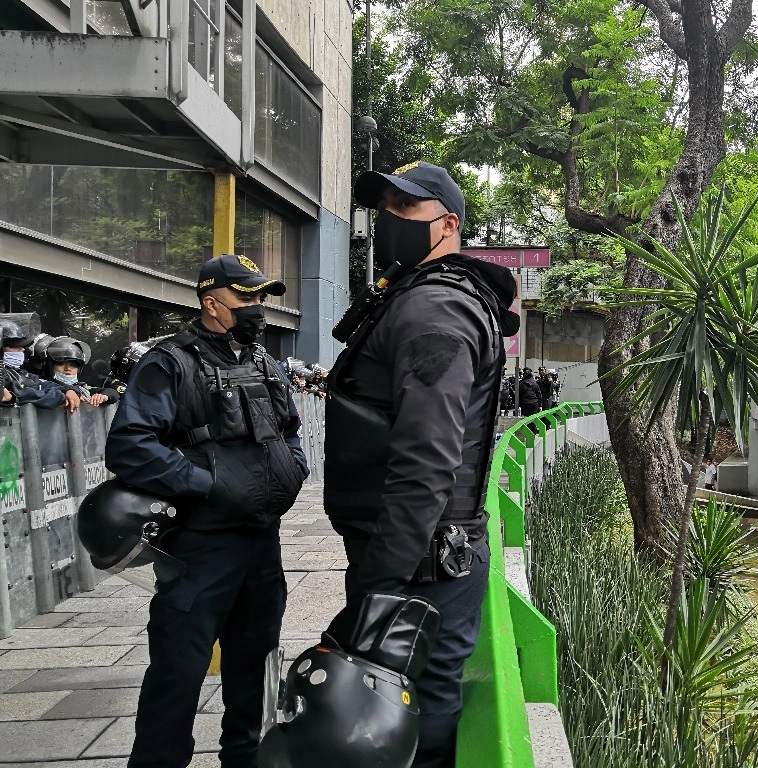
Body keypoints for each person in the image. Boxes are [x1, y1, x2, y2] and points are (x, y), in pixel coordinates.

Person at [322, 161, 519, 767]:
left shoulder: (435, 308)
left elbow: (427, 462)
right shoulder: (419, 298)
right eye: (382, 210)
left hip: (419, 567)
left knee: (406, 727)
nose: (388, 223)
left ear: (447, 223)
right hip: (416, 556)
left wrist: (381, 587)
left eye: (404, 210)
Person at [105, 254, 309, 768]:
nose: (258, 308)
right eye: (247, 297)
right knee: (177, 676)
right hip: (199, 547)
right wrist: (208, 484)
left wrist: (293, 469)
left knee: (255, 676)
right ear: (211, 303)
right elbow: (130, 446)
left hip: (262, 545)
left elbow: (288, 429)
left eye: (262, 297)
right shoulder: (170, 362)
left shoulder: (266, 362)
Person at [37, 336, 119, 411]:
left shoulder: (82, 389)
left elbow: (113, 392)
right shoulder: (39, 386)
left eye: (73, 365)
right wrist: (65, 394)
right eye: (60, 364)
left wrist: (104, 396)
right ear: (48, 366)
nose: (68, 369)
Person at [0, 320, 67, 410]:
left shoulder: (19, 373)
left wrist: (69, 390)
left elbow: (41, 384)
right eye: (13, 346)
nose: (22, 349)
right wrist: (61, 397)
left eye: (22, 345)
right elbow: (22, 393)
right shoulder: (3, 375)